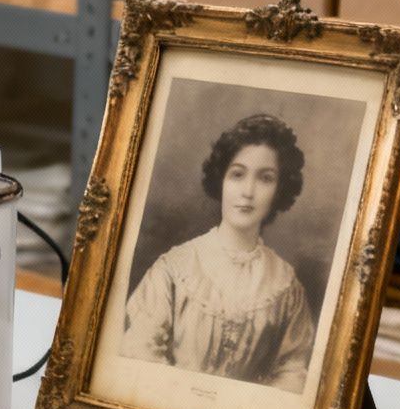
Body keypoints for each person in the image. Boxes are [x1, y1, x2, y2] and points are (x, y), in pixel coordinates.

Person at [121, 112, 317, 393]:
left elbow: (292, 374)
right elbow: (140, 355)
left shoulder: (286, 287)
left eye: (265, 178)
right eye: (237, 175)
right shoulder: (174, 269)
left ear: (279, 189)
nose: (247, 191)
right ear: (221, 180)